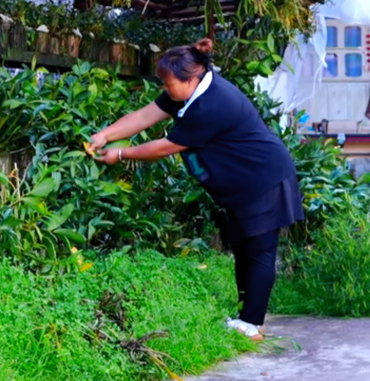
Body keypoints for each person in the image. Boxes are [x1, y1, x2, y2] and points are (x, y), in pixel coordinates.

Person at [89, 38, 304, 341]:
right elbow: (145, 116)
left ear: (190, 79)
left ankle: (252, 324)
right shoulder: (189, 91)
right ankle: (246, 316)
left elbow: (166, 146)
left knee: (259, 250)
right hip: (243, 181)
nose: (165, 90)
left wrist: (121, 153)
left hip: (264, 177)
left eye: (168, 83)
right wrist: (104, 135)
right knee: (243, 246)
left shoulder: (212, 104)